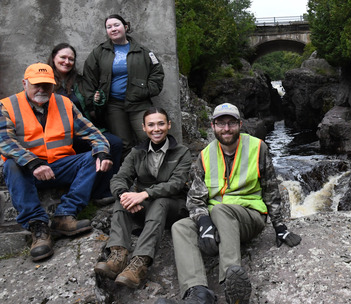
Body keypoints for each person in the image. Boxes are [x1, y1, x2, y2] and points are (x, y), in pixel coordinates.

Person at [162, 103, 302, 304]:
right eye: (221, 123)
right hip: (216, 218)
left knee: (221, 210)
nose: (226, 129)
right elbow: (195, 198)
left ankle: (232, 284)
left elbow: (271, 188)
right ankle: (198, 292)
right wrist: (204, 224)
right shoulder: (205, 155)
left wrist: (279, 226)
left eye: (231, 123)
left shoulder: (258, 147)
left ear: (240, 124)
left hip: (249, 217)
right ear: (213, 126)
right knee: (180, 227)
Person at [0, 63, 113, 262]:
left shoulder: (64, 103)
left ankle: (65, 215)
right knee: (10, 164)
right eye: (37, 85)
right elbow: (4, 141)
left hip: (60, 166)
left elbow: (93, 133)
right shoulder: (7, 105)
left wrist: (102, 152)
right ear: (24, 83)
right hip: (28, 170)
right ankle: (38, 227)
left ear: (54, 84)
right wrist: (33, 163)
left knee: (93, 157)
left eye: (47, 85)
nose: (42, 89)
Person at [94, 107, 191, 289]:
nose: (157, 129)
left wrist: (144, 194)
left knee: (159, 201)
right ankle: (118, 255)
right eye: (151, 125)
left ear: (169, 125)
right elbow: (119, 178)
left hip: (174, 207)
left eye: (161, 123)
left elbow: (176, 184)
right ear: (144, 128)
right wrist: (125, 196)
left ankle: (140, 263)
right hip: (146, 207)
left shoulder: (181, 152)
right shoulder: (136, 152)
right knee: (121, 199)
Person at [47, 43, 123, 205]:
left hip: (82, 129)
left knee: (114, 143)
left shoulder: (80, 81)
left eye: (71, 59)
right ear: (54, 58)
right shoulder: (45, 81)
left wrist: (98, 101)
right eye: (63, 57)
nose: (67, 62)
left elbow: (92, 109)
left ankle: (101, 191)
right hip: (59, 134)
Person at [82, 14, 164, 156]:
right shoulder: (99, 52)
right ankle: (129, 175)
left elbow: (157, 75)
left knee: (149, 138)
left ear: (125, 27)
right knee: (123, 143)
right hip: (114, 105)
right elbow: (88, 78)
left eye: (116, 25)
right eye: (109, 27)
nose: (113, 29)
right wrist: (93, 101)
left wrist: (143, 91)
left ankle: (153, 174)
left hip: (139, 104)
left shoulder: (143, 51)